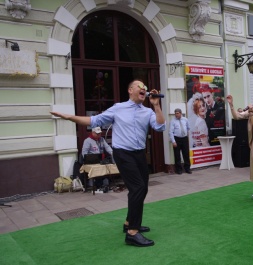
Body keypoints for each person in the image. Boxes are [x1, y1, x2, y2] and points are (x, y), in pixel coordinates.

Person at [50, 79, 165, 247]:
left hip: (139, 154)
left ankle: (129, 222)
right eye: (139, 86)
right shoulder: (118, 108)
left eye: (145, 87)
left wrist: (156, 106)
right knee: (138, 187)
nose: (144, 88)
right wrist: (69, 117)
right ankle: (132, 233)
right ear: (130, 90)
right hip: (123, 153)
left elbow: (160, 127)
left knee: (142, 188)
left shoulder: (147, 111)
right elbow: (93, 121)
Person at [169, 108, 191, 175]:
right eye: (175, 113)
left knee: (186, 154)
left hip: (184, 138)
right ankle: (178, 170)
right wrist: (173, 141)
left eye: (177, 113)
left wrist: (186, 134)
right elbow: (170, 132)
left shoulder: (185, 119)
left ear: (181, 113)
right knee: (177, 155)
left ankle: (187, 169)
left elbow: (188, 128)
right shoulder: (173, 121)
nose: (176, 115)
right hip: (177, 139)